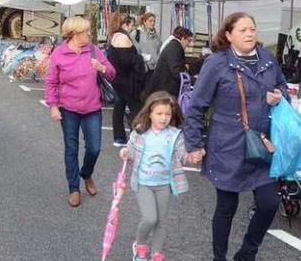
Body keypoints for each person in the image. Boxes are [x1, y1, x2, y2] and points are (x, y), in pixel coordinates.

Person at [183, 12, 287, 261]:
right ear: (228, 35)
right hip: (227, 146)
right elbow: (196, 107)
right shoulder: (216, 64)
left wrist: (279, 96)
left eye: (252, 28)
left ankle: (247, 254)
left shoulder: (267, 59)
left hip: (261, 144)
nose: (250, 34)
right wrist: (194, 143)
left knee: (269, 203)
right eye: (242, 30)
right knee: (226, 208)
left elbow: (282, 87)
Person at [45, 17, 116, 207]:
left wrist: (102, 67)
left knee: (94, 148)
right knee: (71, 149)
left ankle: (86, 174)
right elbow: (51, 82)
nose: (88, 35)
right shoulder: (60, 53)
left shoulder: (93, 50)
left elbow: (112, 73)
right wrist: (53, 106)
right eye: (85, 32)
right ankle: (74, 189)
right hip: (68, 109)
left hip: (92, 107)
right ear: (74, 34)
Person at [119, 91, 189, 261]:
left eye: (167, 114)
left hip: (164, 183)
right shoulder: (141, 132)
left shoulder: (175, 134)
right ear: (149, 113)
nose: (164, 118)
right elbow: (131, 152)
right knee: (150, 218)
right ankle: (140, 245)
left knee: (162, 221)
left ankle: (157, 253)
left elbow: (182, 155)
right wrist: (126, 152)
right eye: (159, 113)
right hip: (144, 183)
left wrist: (191, 155)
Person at [106, 12, 145, 147]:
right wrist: (141, 58)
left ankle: (119, 137)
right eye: (131, 25)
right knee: (136, 108)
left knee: (119, 107)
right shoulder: (124, 38)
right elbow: (128, 60)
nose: (132, 28)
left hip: (117, 78)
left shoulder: (114, 36)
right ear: (126, 24)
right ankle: (137, 137)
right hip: (128, 80)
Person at [144, 26, 192, 99]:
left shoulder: (174, 46)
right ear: (182, 38)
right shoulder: (174, 48)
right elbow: (176, 71)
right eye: (188, 41)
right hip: (163, 90)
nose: (189, 44)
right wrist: (186, 70)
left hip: (162, 89)